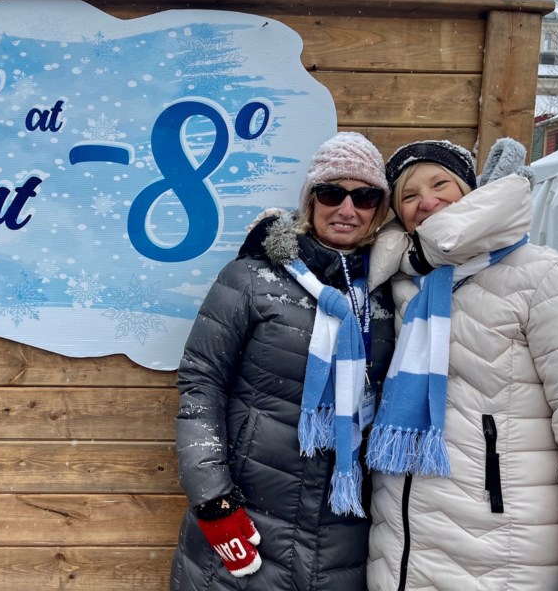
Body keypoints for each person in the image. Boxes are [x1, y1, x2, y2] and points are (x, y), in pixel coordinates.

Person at [365, 138, 558, 591]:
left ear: (472, 191)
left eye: (441, 184)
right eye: (409, 195)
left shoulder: (547, 279)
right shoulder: (400, 281)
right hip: (400, 552)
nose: (428, 202)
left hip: (503, 553)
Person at [170, 132, 398, 590]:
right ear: (311, 200)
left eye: (365, 196)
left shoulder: (392, 292)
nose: (347, 209)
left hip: (346, 535)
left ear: (380, 209)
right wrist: (213, 499)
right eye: (332, 193)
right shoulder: (252, 278)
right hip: (250, 518)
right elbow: (202, 384)